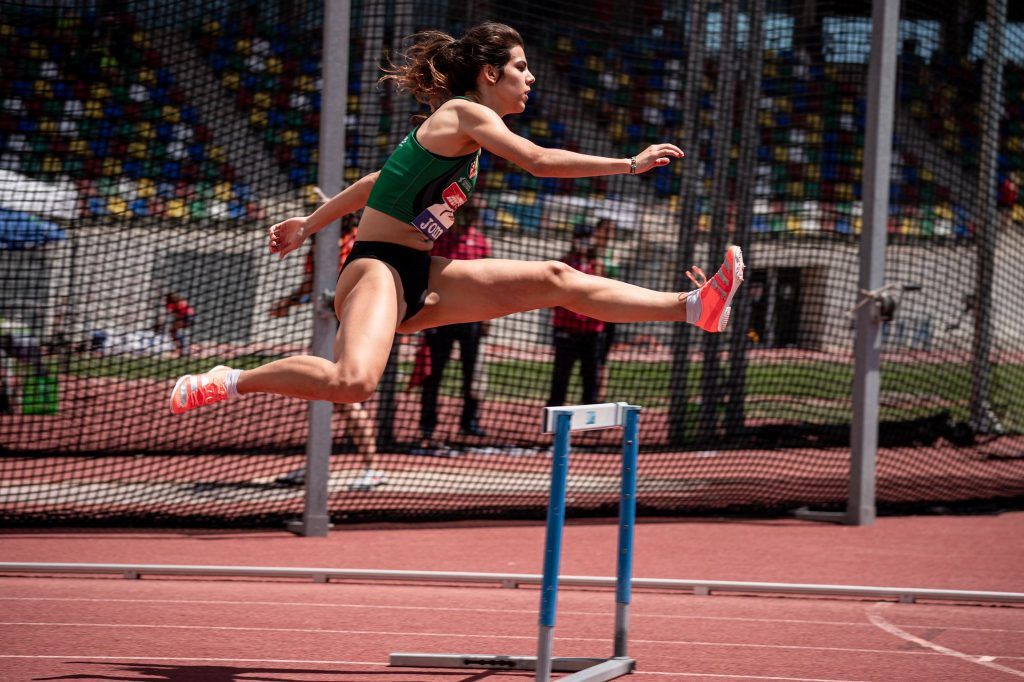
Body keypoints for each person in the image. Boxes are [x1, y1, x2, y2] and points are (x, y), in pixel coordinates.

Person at [170, 22, 744, 419]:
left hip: (421, 273)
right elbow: (538, 161)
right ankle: (227, 380)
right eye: (521, 67)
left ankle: (695, 308)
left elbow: (376, 184)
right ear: (490, 73)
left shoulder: (459, 139)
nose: (530, 78)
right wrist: (628, 162)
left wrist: (308, 224)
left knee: (554, 278)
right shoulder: (463, 113)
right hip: (376, 271)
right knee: (353, 383)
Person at [269, 189, 386, 491]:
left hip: (354, 322)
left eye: (327, 209)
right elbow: (310, 285)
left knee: (344, 395)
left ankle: (372, 468)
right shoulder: (317, 246)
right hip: (327, 324)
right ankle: (316, 464)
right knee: (317, 392)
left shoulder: (358, 241)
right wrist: (288, 302)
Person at [419, 202, 491, 448]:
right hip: (441, 314)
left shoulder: (481, 242)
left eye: (475, 214)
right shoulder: (441, 238)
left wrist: (487, 318)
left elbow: (488, 281)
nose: (471, 218)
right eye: (469, 213)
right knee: (434, 372)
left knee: (472, 373)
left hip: (471, 316)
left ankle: (469, 421)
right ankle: (427, 424)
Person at [548, 224, 604, 407]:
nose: (584, 242)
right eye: (581, 237)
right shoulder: (565, 263)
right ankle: (555, 413)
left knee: (590, 376)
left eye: (588, 237)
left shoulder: (597, 265)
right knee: (560, 375)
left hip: (591, 329)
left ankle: (591, 417)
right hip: (566, 327)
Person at [593, 216, 620, 398]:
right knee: (592, 358)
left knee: (602, 358)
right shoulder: (591, 251)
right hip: (593, 310)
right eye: (606, 230)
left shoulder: (613, 253)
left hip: (610, 310)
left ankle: (599, 397)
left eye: (612, 231)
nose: (609, 234)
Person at [162, 293, 194, 358]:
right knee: (175, 332)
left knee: (175, 331)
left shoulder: (177, 303)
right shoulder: (178, 303)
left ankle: (182, 349)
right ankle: (182, 349)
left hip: (186, 317)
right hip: (187, 317)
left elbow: (177, 313)